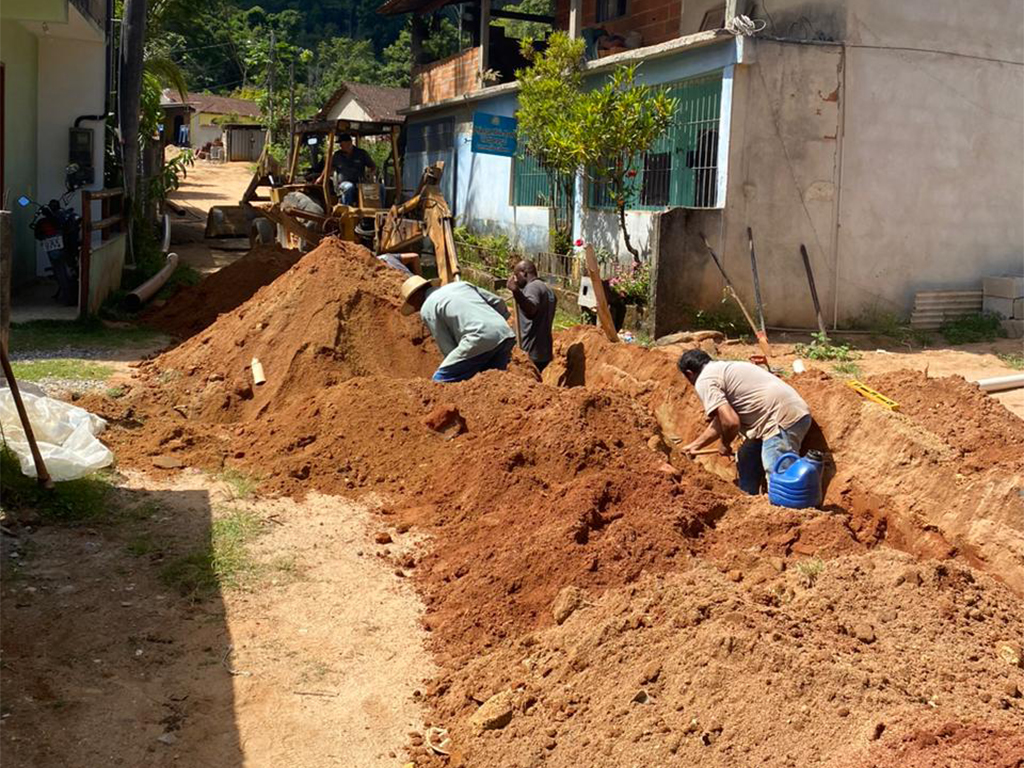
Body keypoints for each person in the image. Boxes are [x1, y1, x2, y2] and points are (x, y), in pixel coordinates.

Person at [676, 349, 812, 495]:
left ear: (689, 373)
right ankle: (747, 499)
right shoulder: (724, 368)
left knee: (778, 475)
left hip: (779, 421)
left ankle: (784, 512)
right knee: (746, 455)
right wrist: (695, 446)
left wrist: (725, 444)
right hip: (787, 413)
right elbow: (721, 421)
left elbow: (731, 423)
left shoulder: (704, 380)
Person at [400, 275, 516, 383]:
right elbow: (498, 302)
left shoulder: (427, 308)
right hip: (505, 333)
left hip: (478, 338)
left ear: (415, 298)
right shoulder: (461, 285)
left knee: (439, 380)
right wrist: (497, 327)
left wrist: (455, 362)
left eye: (413, 304)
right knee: (493, 380)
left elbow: (446, 344)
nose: (416, 308)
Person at [506, 260, 556, 372]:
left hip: (529, 352)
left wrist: (516, 291)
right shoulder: (548, 289)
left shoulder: (533, 287)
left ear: (523, 273)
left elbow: (531, 310)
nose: (515, 280)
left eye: (516, 275)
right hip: (543, 351)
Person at [330, 134, 376, 206]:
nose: (340, 146)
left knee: (380, 188)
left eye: (342, 144)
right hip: (343, 184)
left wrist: (370, 175)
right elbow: (328, 169)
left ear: (349, 143)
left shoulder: (361, 154)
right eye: (340, 144)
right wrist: (320, 178)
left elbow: (372, 166)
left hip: (360, 183)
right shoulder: (337, 156)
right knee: (349, 187)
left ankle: (381, 209)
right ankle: (346, 209)